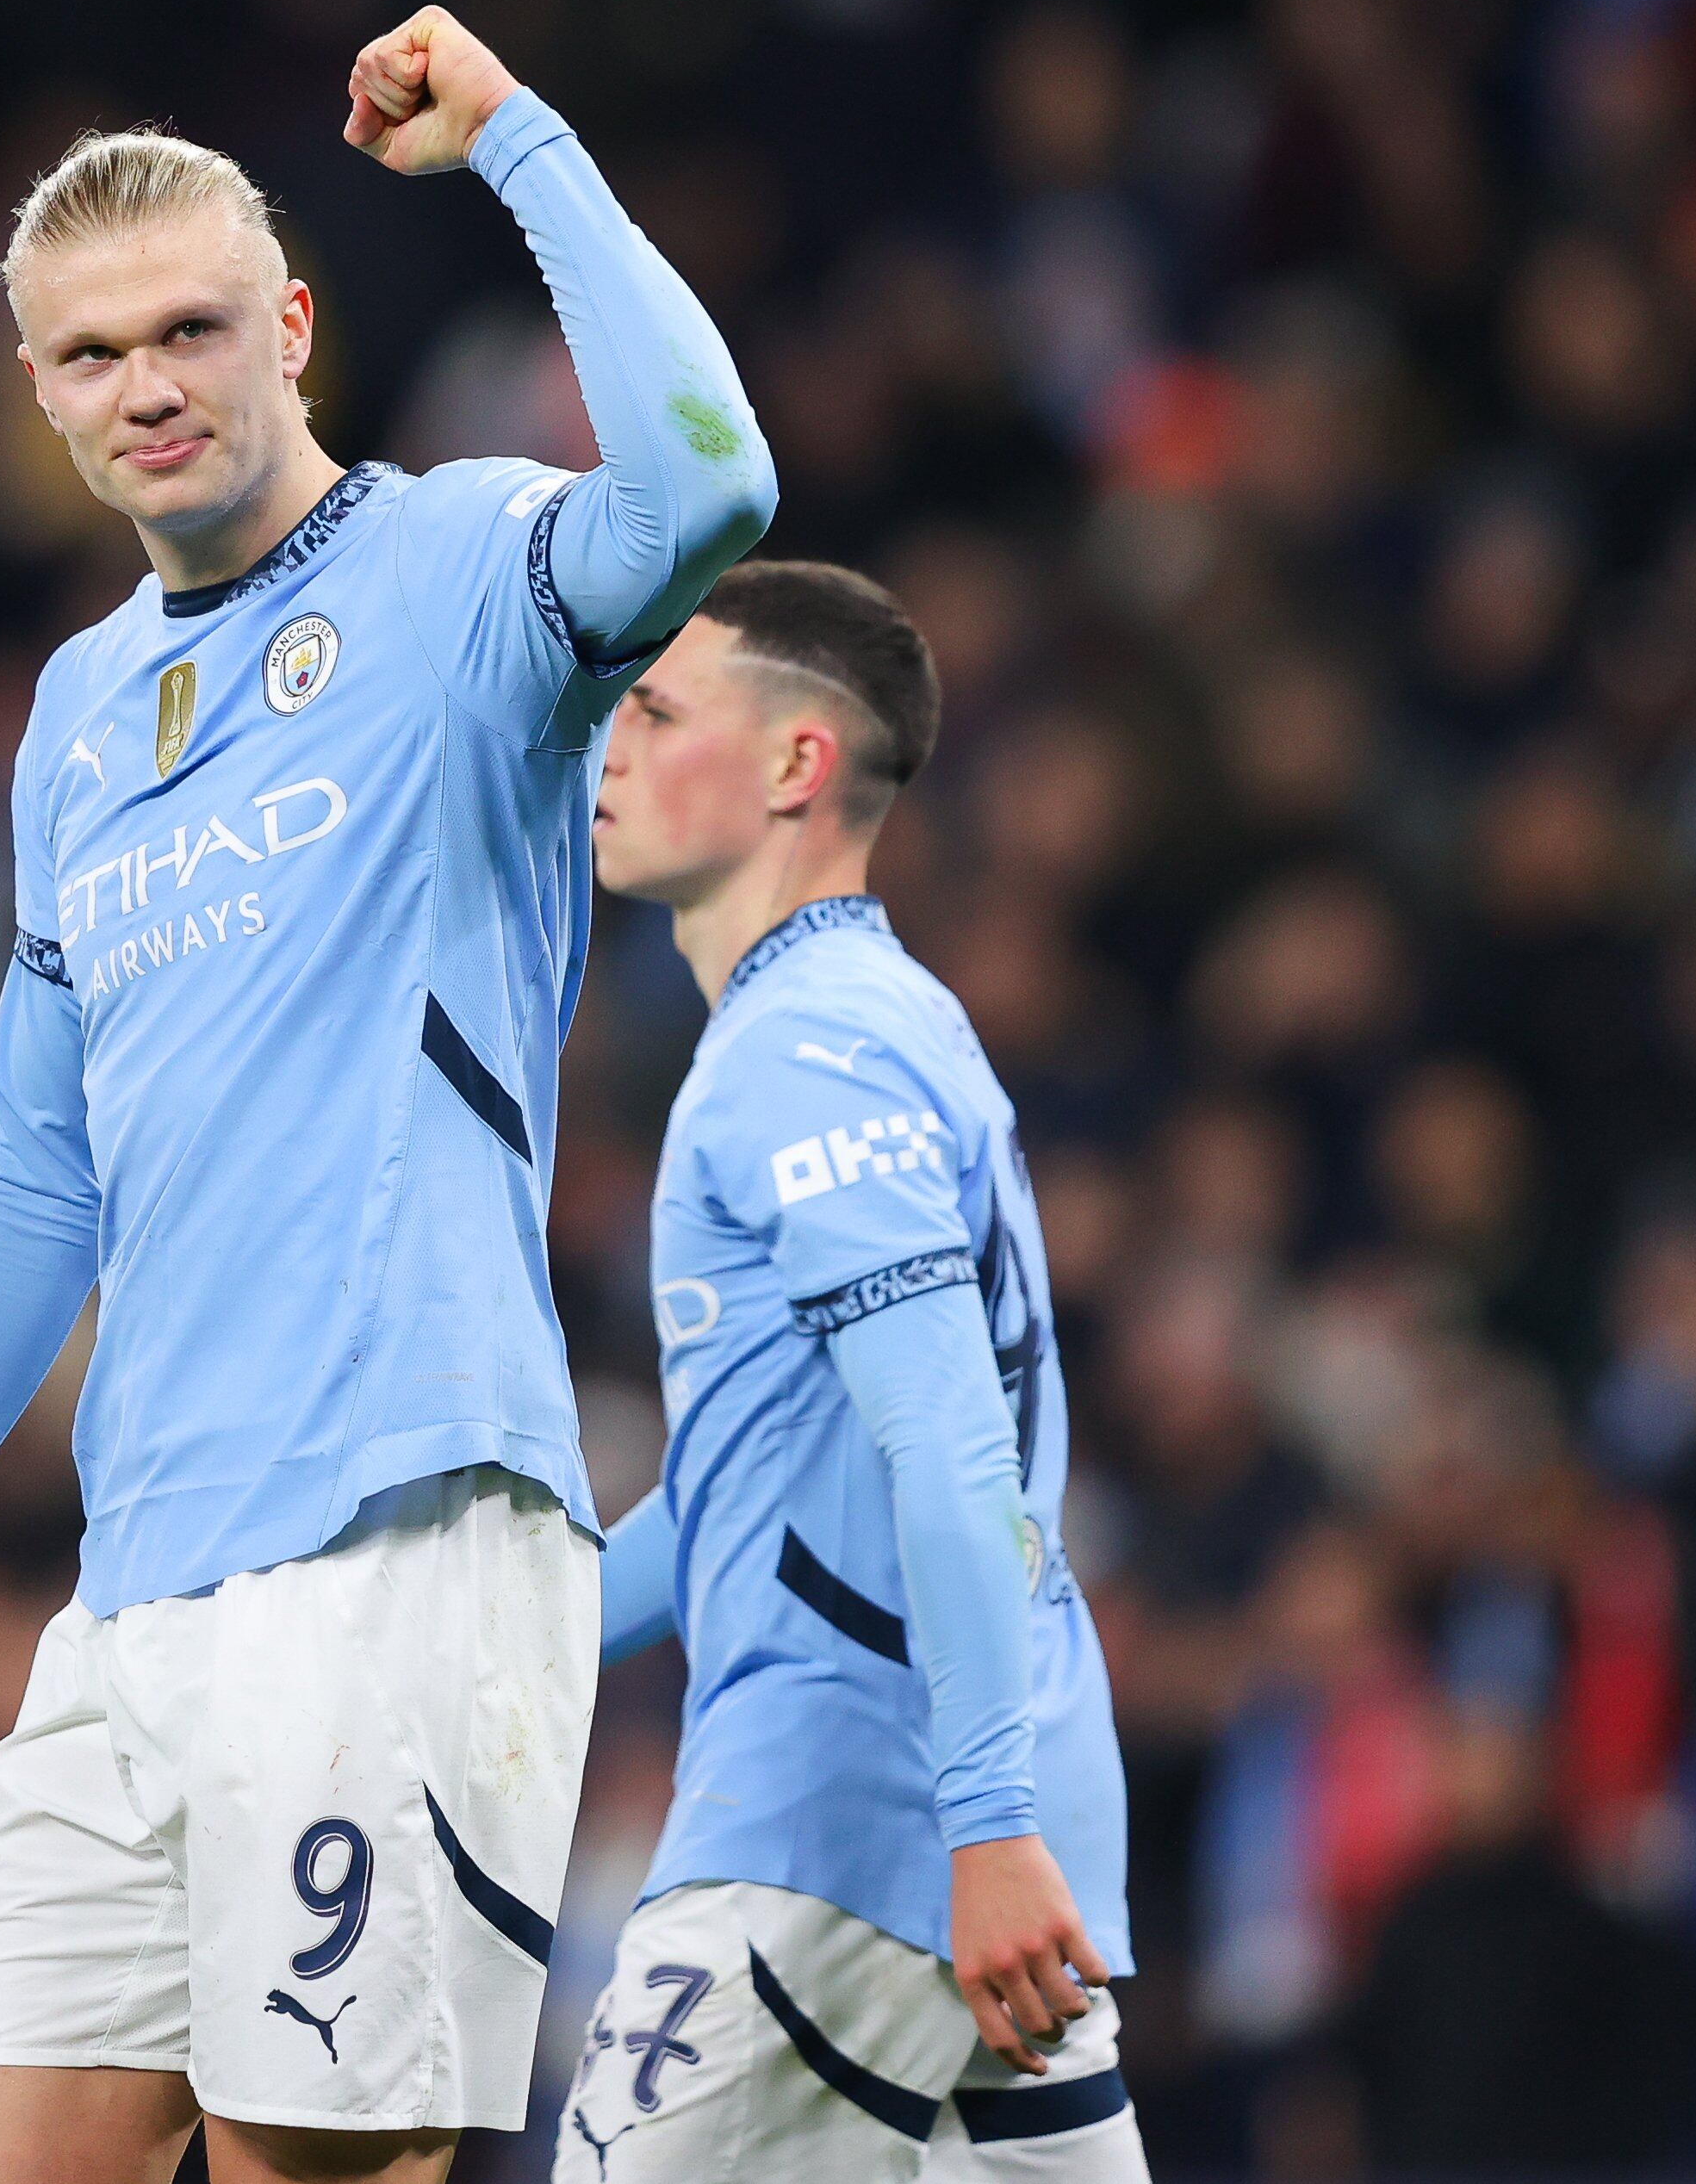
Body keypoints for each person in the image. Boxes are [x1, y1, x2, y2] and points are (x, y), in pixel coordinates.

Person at [0, 6, 773, 2184]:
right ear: (33, 390)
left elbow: (713, 484)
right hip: (134, 1596)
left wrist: (516, 141)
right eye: (90, 354)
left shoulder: (456, 577)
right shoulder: (75, 713)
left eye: (194, 330)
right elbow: (36, 1170)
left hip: (399, 1546)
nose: (148, 387)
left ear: (293, 329)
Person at [565, 562, 1143, 2183]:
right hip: (950, 1828)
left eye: (660, 710)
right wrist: (506, 1659)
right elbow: (748, 1497)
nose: (610, 740)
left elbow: (950, 1449)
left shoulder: (810, 1049)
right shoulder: (872, 1023)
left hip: (847, 1828)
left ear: (796, 767)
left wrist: (981, 1819)